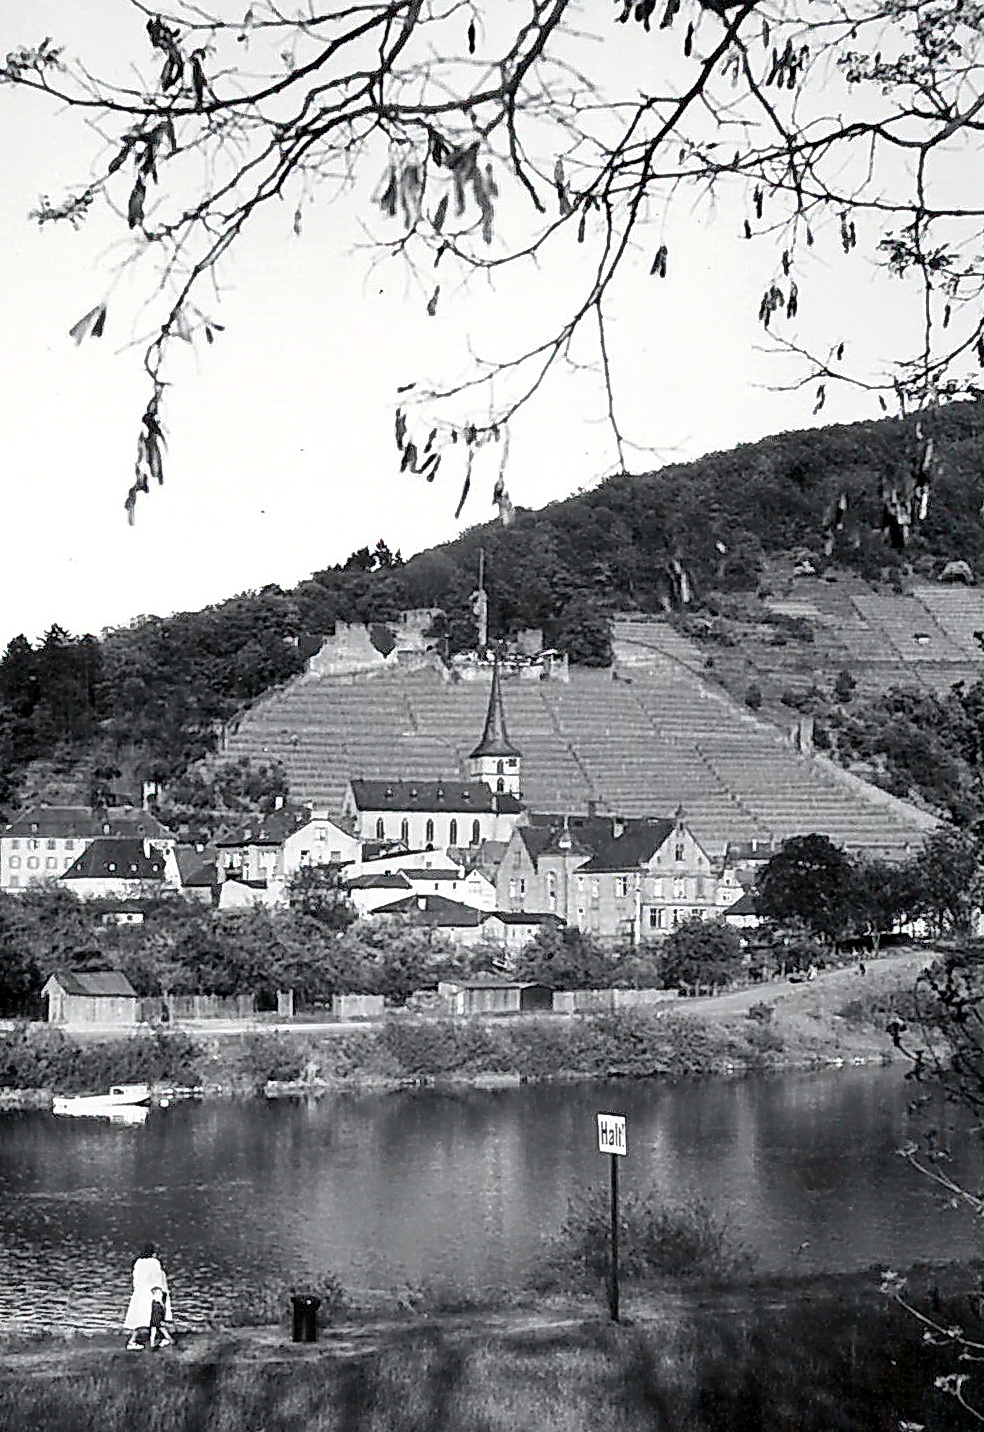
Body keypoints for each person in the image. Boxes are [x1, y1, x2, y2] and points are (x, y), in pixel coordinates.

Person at [124, 1243, 174, 1350]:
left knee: (139, 1320)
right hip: (152, 1294)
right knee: (155, 1317)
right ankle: (159, 1339)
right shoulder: (154, 1262)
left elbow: (136, 1279)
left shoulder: (138, 1263)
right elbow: (157, 1279)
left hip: (139, 1293)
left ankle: (133, 1341)